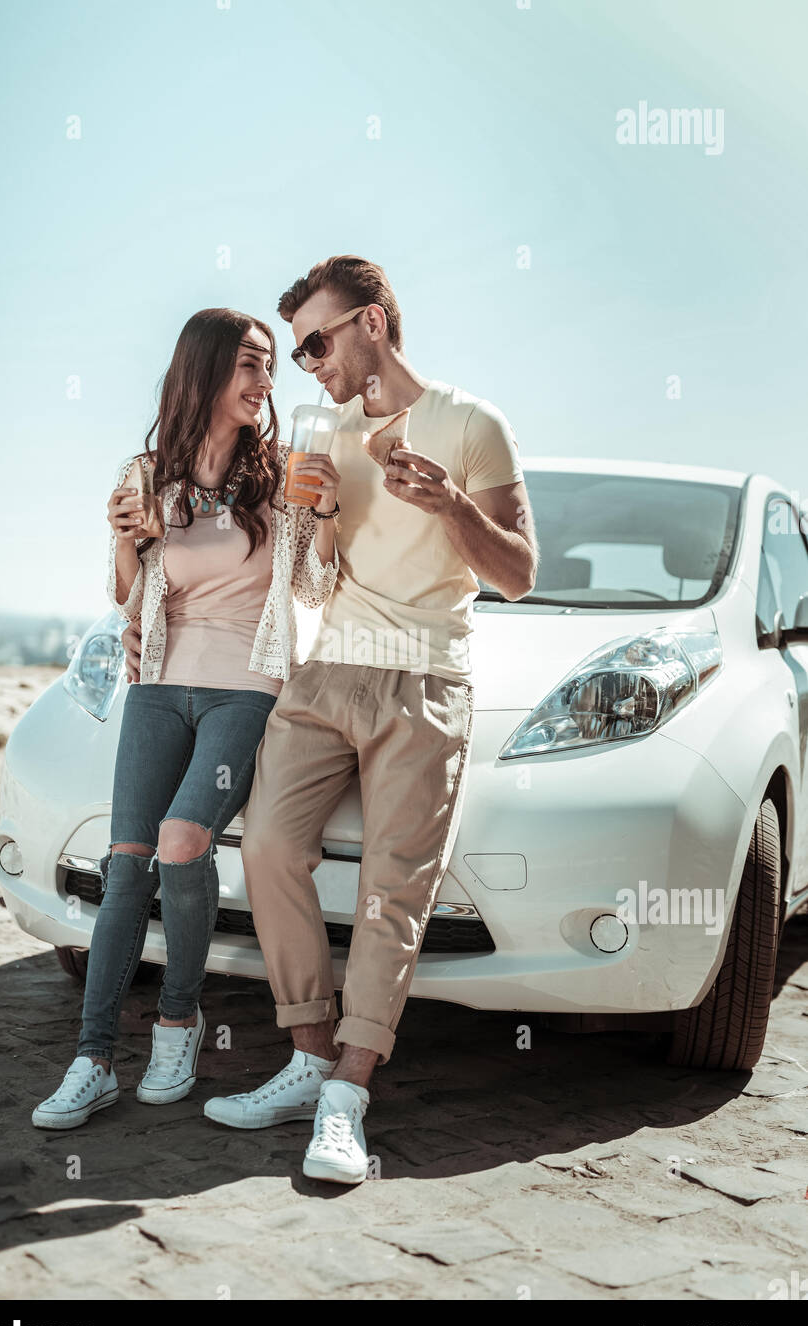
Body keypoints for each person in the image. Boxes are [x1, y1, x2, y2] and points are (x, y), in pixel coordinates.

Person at [204, 256, 540, 1183]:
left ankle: (348, 1098)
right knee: (269, 845)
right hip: (324, 673)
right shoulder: (325, 431)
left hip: (426, 682)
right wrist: (302, 520)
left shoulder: (472, 424)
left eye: (317, 340)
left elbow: (517, 572)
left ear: (374, 325)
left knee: (396, 888)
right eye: (299, 346)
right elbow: (307, 570)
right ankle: (308, 1053)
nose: (307, 361)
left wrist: (450, 502)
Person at [32, 308, 339, 1130]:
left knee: (180, 841)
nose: (265, 380)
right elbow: (131, 599)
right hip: (159, 686)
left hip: (247, 689)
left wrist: (329, 514)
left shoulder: (282, 476)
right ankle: (92, 1059)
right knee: (125, 862)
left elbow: (311, 588)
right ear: (203, 370)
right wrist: (128, 542)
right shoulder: (148, 474)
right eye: (249, 362)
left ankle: (178, 1021)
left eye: (270, 365)